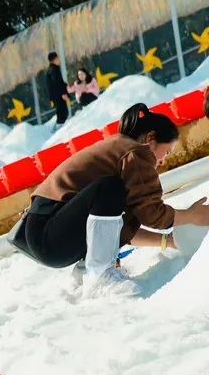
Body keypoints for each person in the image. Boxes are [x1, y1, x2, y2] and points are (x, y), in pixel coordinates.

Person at [24, 103, 209, 298]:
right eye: (167, 152)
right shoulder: (135, 152)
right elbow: (152, 214)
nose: (163, 161)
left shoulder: (119, 151)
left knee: (119, 197)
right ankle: (101, 274)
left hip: (47, 236)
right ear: (150, 139)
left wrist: (167, 241)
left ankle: (88, 270)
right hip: (48, 233)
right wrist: (192, 216)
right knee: (110, 188)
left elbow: (114, 226)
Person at [46, 52, 70, 127]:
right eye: (57, 58)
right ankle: (59, 129)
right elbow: (57, 83)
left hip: (56, 95)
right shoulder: (54, 69)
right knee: (63, 112)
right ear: (55, 59)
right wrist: (63, 93)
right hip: (58, 95)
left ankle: (59, 127)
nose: (59, 59)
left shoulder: (51, 69)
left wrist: (65, 85)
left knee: (62, 112)